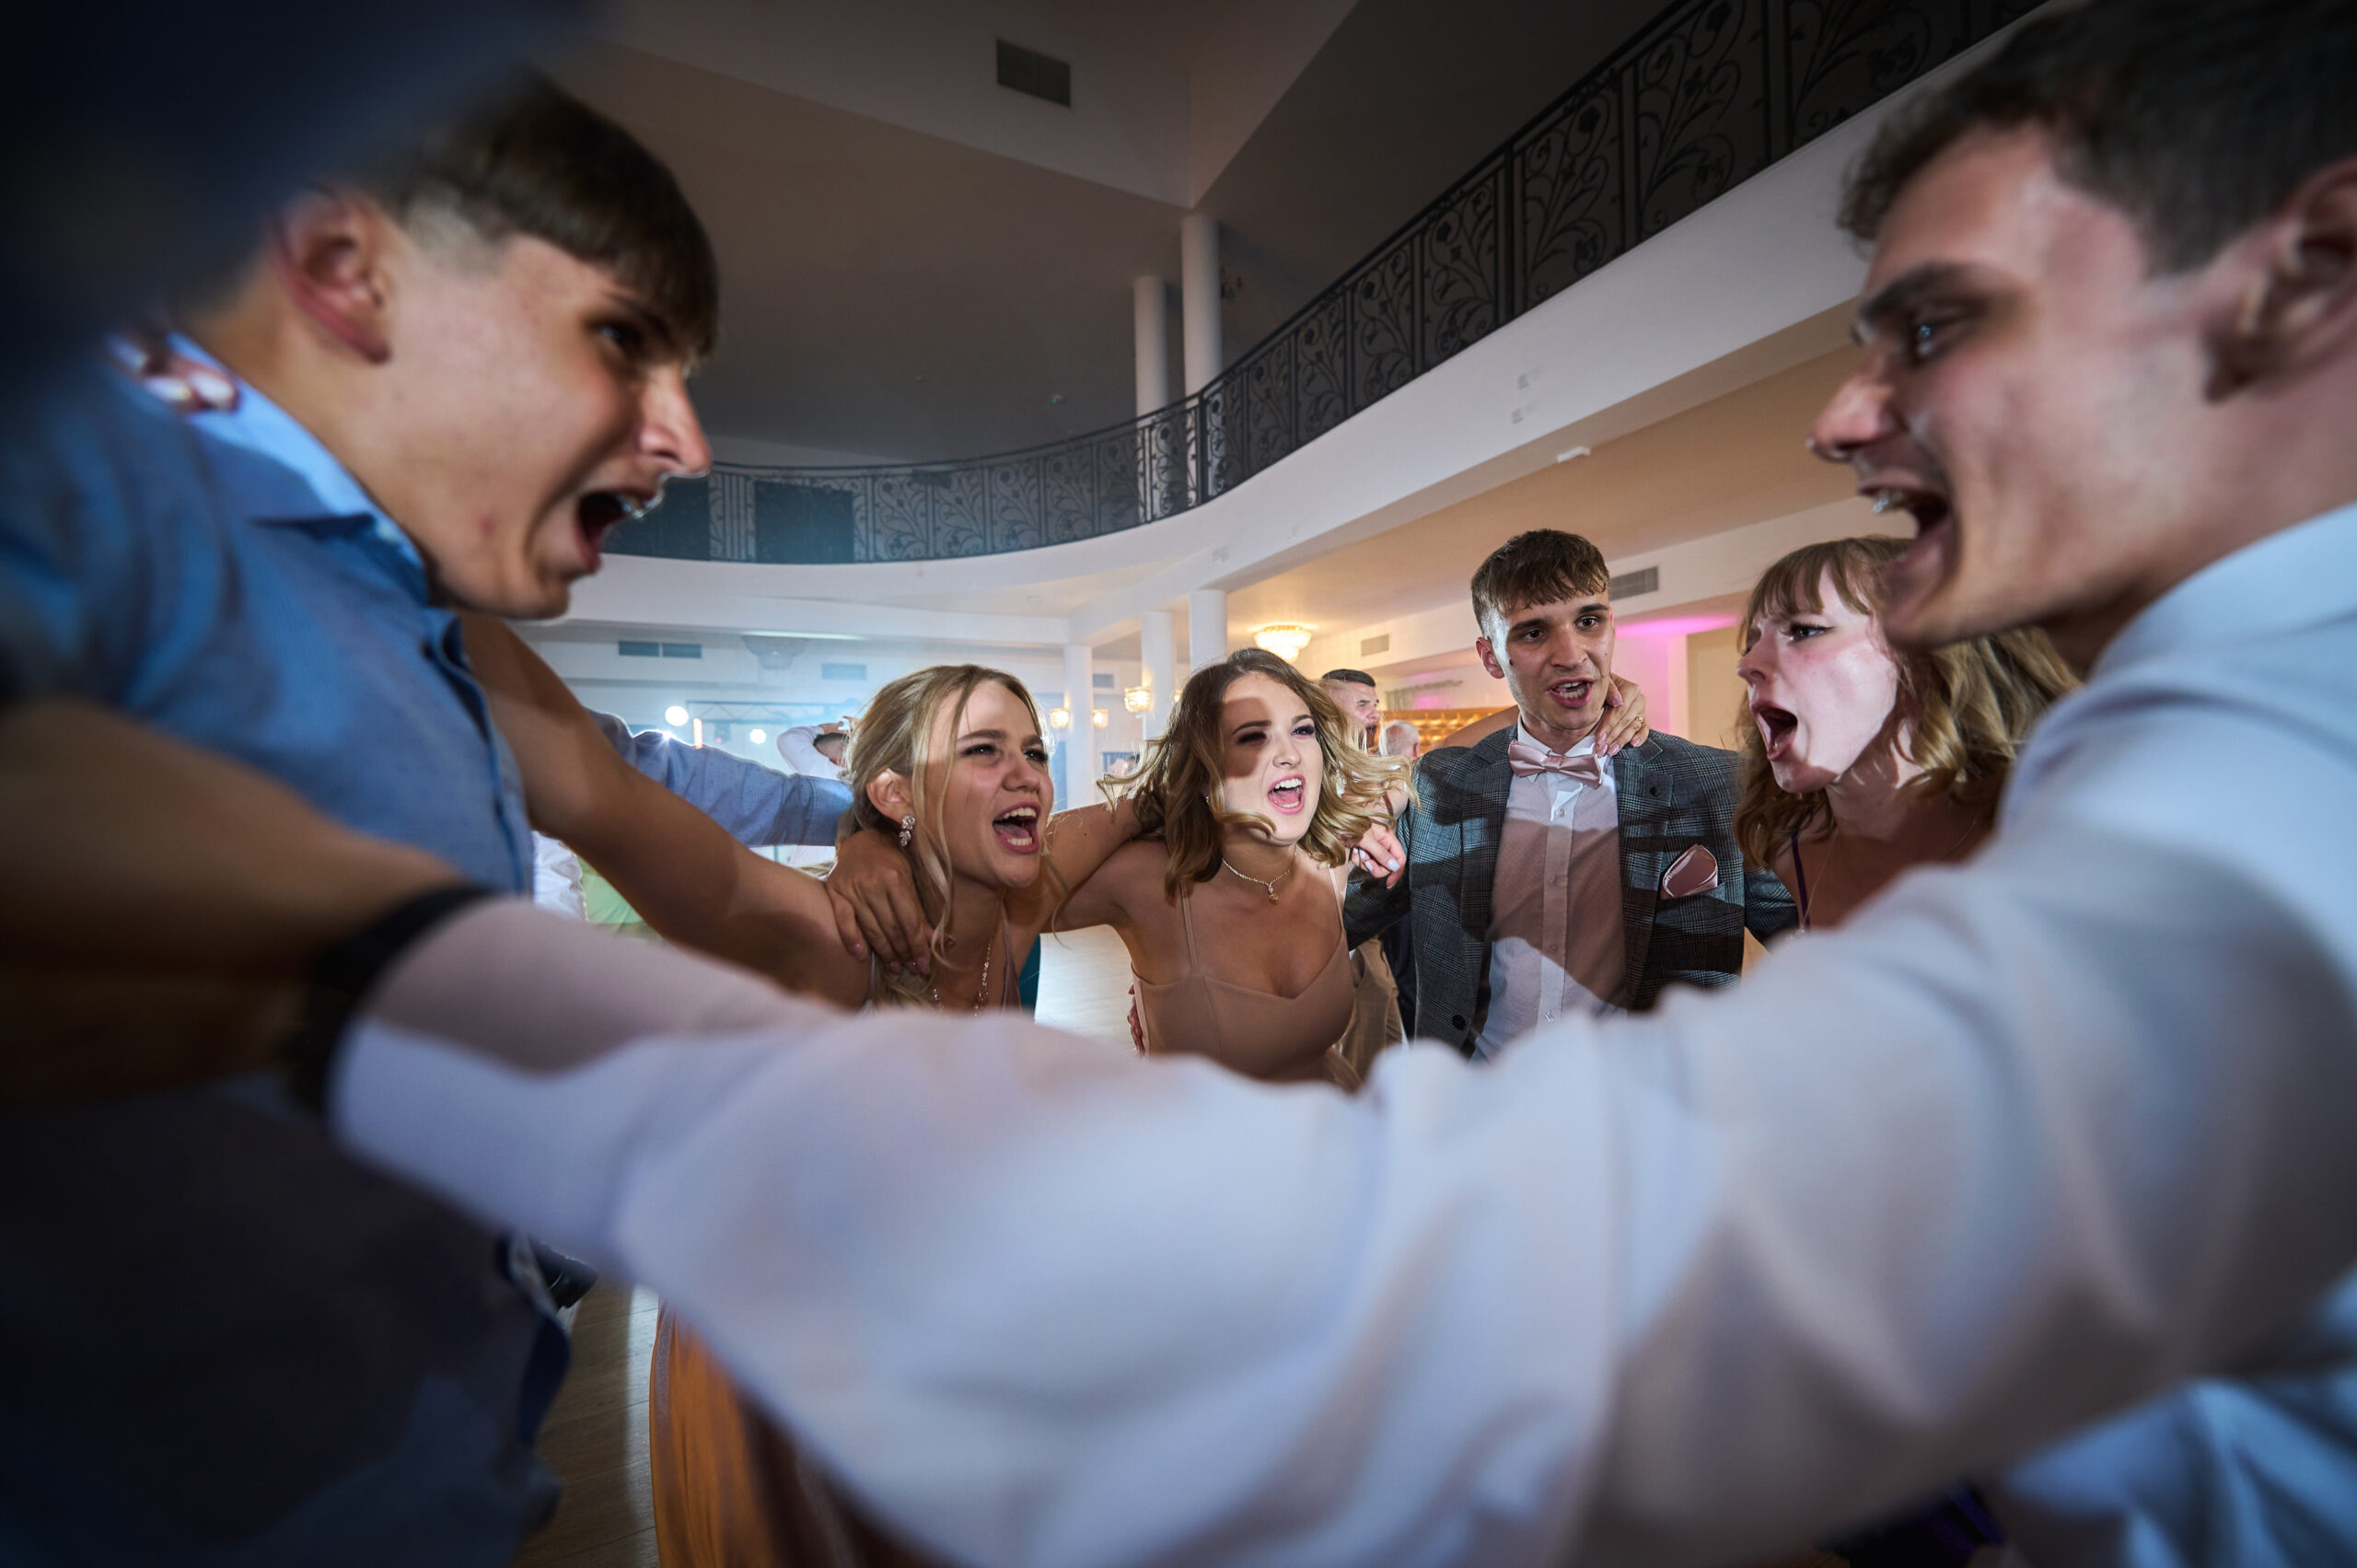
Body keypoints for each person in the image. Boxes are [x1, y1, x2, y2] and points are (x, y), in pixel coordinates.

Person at [313, 2, 2357, 1561]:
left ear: (2306, 273)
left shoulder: (2281, 794)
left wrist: (377, 973)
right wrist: (878, 836)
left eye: (1935, 324)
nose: (1840, 413)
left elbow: (1551, 1252)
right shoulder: (2187, 734)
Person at [0, 73, 872, 1568]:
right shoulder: (98, 474)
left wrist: (865, 847)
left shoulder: (424, 613)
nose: (687, 441)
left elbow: (651, 800)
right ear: (346, 270)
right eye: (622, 340)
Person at [1347, 528, 1795, 1053]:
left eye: (1588, 621)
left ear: (1611, 625)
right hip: (1479, 1092)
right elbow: (1339, 924)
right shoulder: (1440, 787)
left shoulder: (1717, 785)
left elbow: (1818, 943)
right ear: (1491, 657)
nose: (1571, 653)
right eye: (1533, 633)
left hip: (1647, 1095)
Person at [1735, 535, 2073, 932]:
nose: (1747, 665)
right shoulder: (1791, 855)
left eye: (1805, 630)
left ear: (1923, 654)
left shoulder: (2045, 830)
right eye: (1751, 643)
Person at [778, 719, 851, 779]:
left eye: (815, 753)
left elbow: (788, 738)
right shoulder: (853, 779)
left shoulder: (824, 773)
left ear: (839, 761)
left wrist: (824, 729)